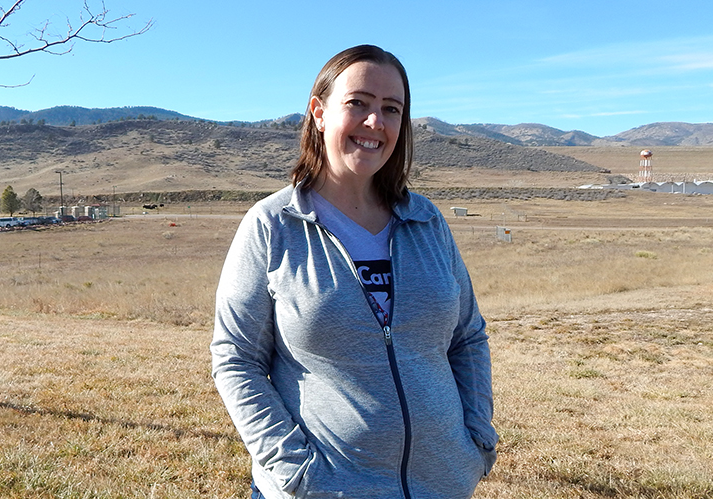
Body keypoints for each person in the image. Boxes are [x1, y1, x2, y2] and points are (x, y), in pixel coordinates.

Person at [211, 44, 498, 499]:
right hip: (322, 488)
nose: (375, 123)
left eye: (391, 109)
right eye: (357, 104)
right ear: (319, 113)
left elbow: (468, 336)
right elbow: (235, 358)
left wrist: (476, 439)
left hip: (439, 484)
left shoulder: (426, 222)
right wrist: (294, 470)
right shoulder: (272, 225)